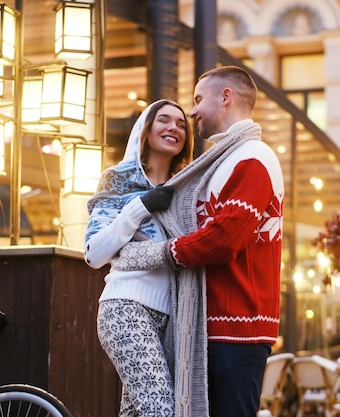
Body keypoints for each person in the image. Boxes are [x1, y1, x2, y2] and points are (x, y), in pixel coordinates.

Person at [112, 65, 284, 417]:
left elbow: (223, 239)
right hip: (210, 326)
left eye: (198, 99)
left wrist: (155, 253)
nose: (191, 112)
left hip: (239, 328)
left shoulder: (254, 157)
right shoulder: (219, 163)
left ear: (226, 98)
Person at [83, 99, 194, 417]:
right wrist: (141, 206)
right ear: (145, 130)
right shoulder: (117, 179)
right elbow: (94, 253)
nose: (174, 127)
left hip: (170, 319)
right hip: (125, 308)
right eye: (164, 120)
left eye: (181, 124)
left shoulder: (185, 189)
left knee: (136, 413)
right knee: (161, 410)